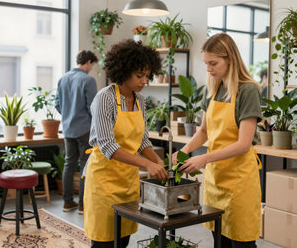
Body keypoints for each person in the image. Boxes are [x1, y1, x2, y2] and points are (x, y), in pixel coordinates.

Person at [172, 33, 262, 248]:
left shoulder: (247, 90)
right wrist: (183, 152)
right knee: (219, 240)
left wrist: (203, 159)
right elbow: (203, 131)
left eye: (213, 63)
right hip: (216, 179)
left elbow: (243, 144)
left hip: (239, 180)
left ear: (229, 59)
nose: (209, 69)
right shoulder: (214, 89)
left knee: (241, 241)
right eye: (206, 63)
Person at [84, 39, 168, 248]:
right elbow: (108, 146)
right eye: (139, 75)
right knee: (103, 242)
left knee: (123, 239)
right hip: (104, 181)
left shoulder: (140, 100)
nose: (143, 81)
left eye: (147, 76)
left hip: (127, 181)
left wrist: (159, 161)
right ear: (124, 70)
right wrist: (147, 165)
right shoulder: (105, 98)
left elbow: (143, 141)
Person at [55, 50, 98, 213]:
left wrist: (68, 115)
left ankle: (67, 202)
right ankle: (83, 205)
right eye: (92, 65)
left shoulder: (63, 79)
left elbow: (57, 104)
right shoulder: (88, 80)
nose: (91, 68)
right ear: (88, 62)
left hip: (67, 129)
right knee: (86, 165)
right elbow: (93, 108)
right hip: (85, 129)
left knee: (69, 163)